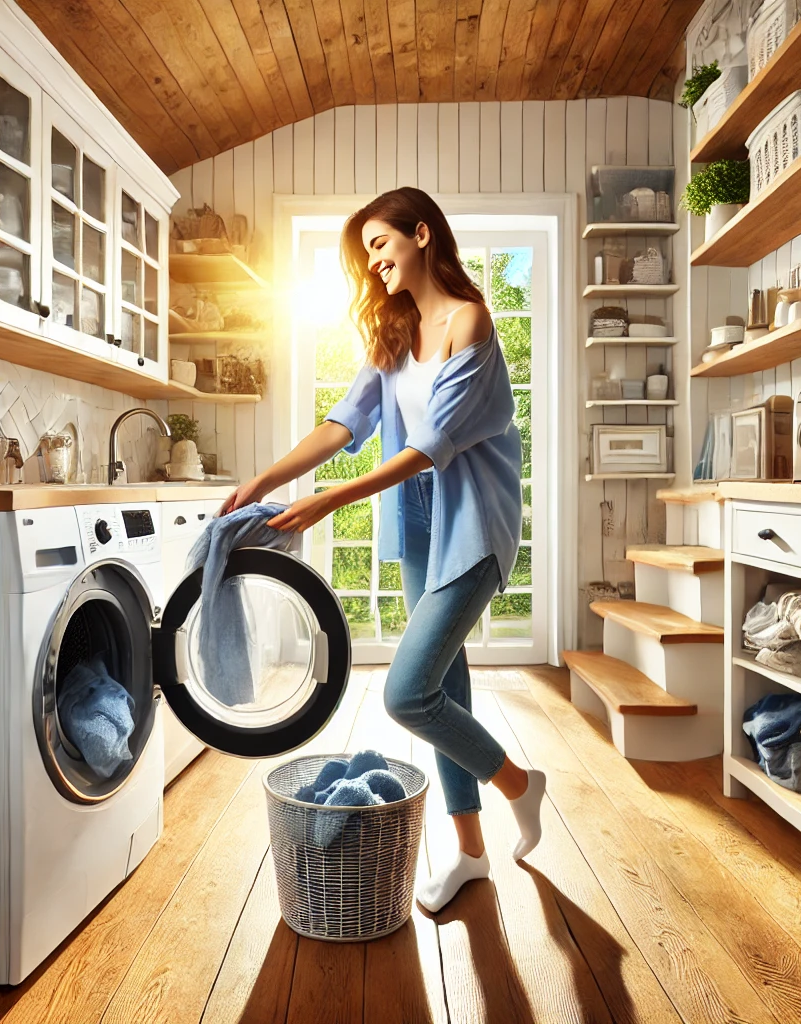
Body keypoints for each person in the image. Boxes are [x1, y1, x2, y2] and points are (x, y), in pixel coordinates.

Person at [220, 186, 547, 913]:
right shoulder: (393, 337)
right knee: (446, 686)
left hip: (474, 524)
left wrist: (327, 499)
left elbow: (432, 446)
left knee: (407, 694)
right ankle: (471, 855)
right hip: (418, 527)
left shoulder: (472, 323)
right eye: (365, 253)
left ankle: (521, 786)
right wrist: (265, 477)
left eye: (380, 244)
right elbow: (344, 423)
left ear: (421, 234)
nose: (373, 264)